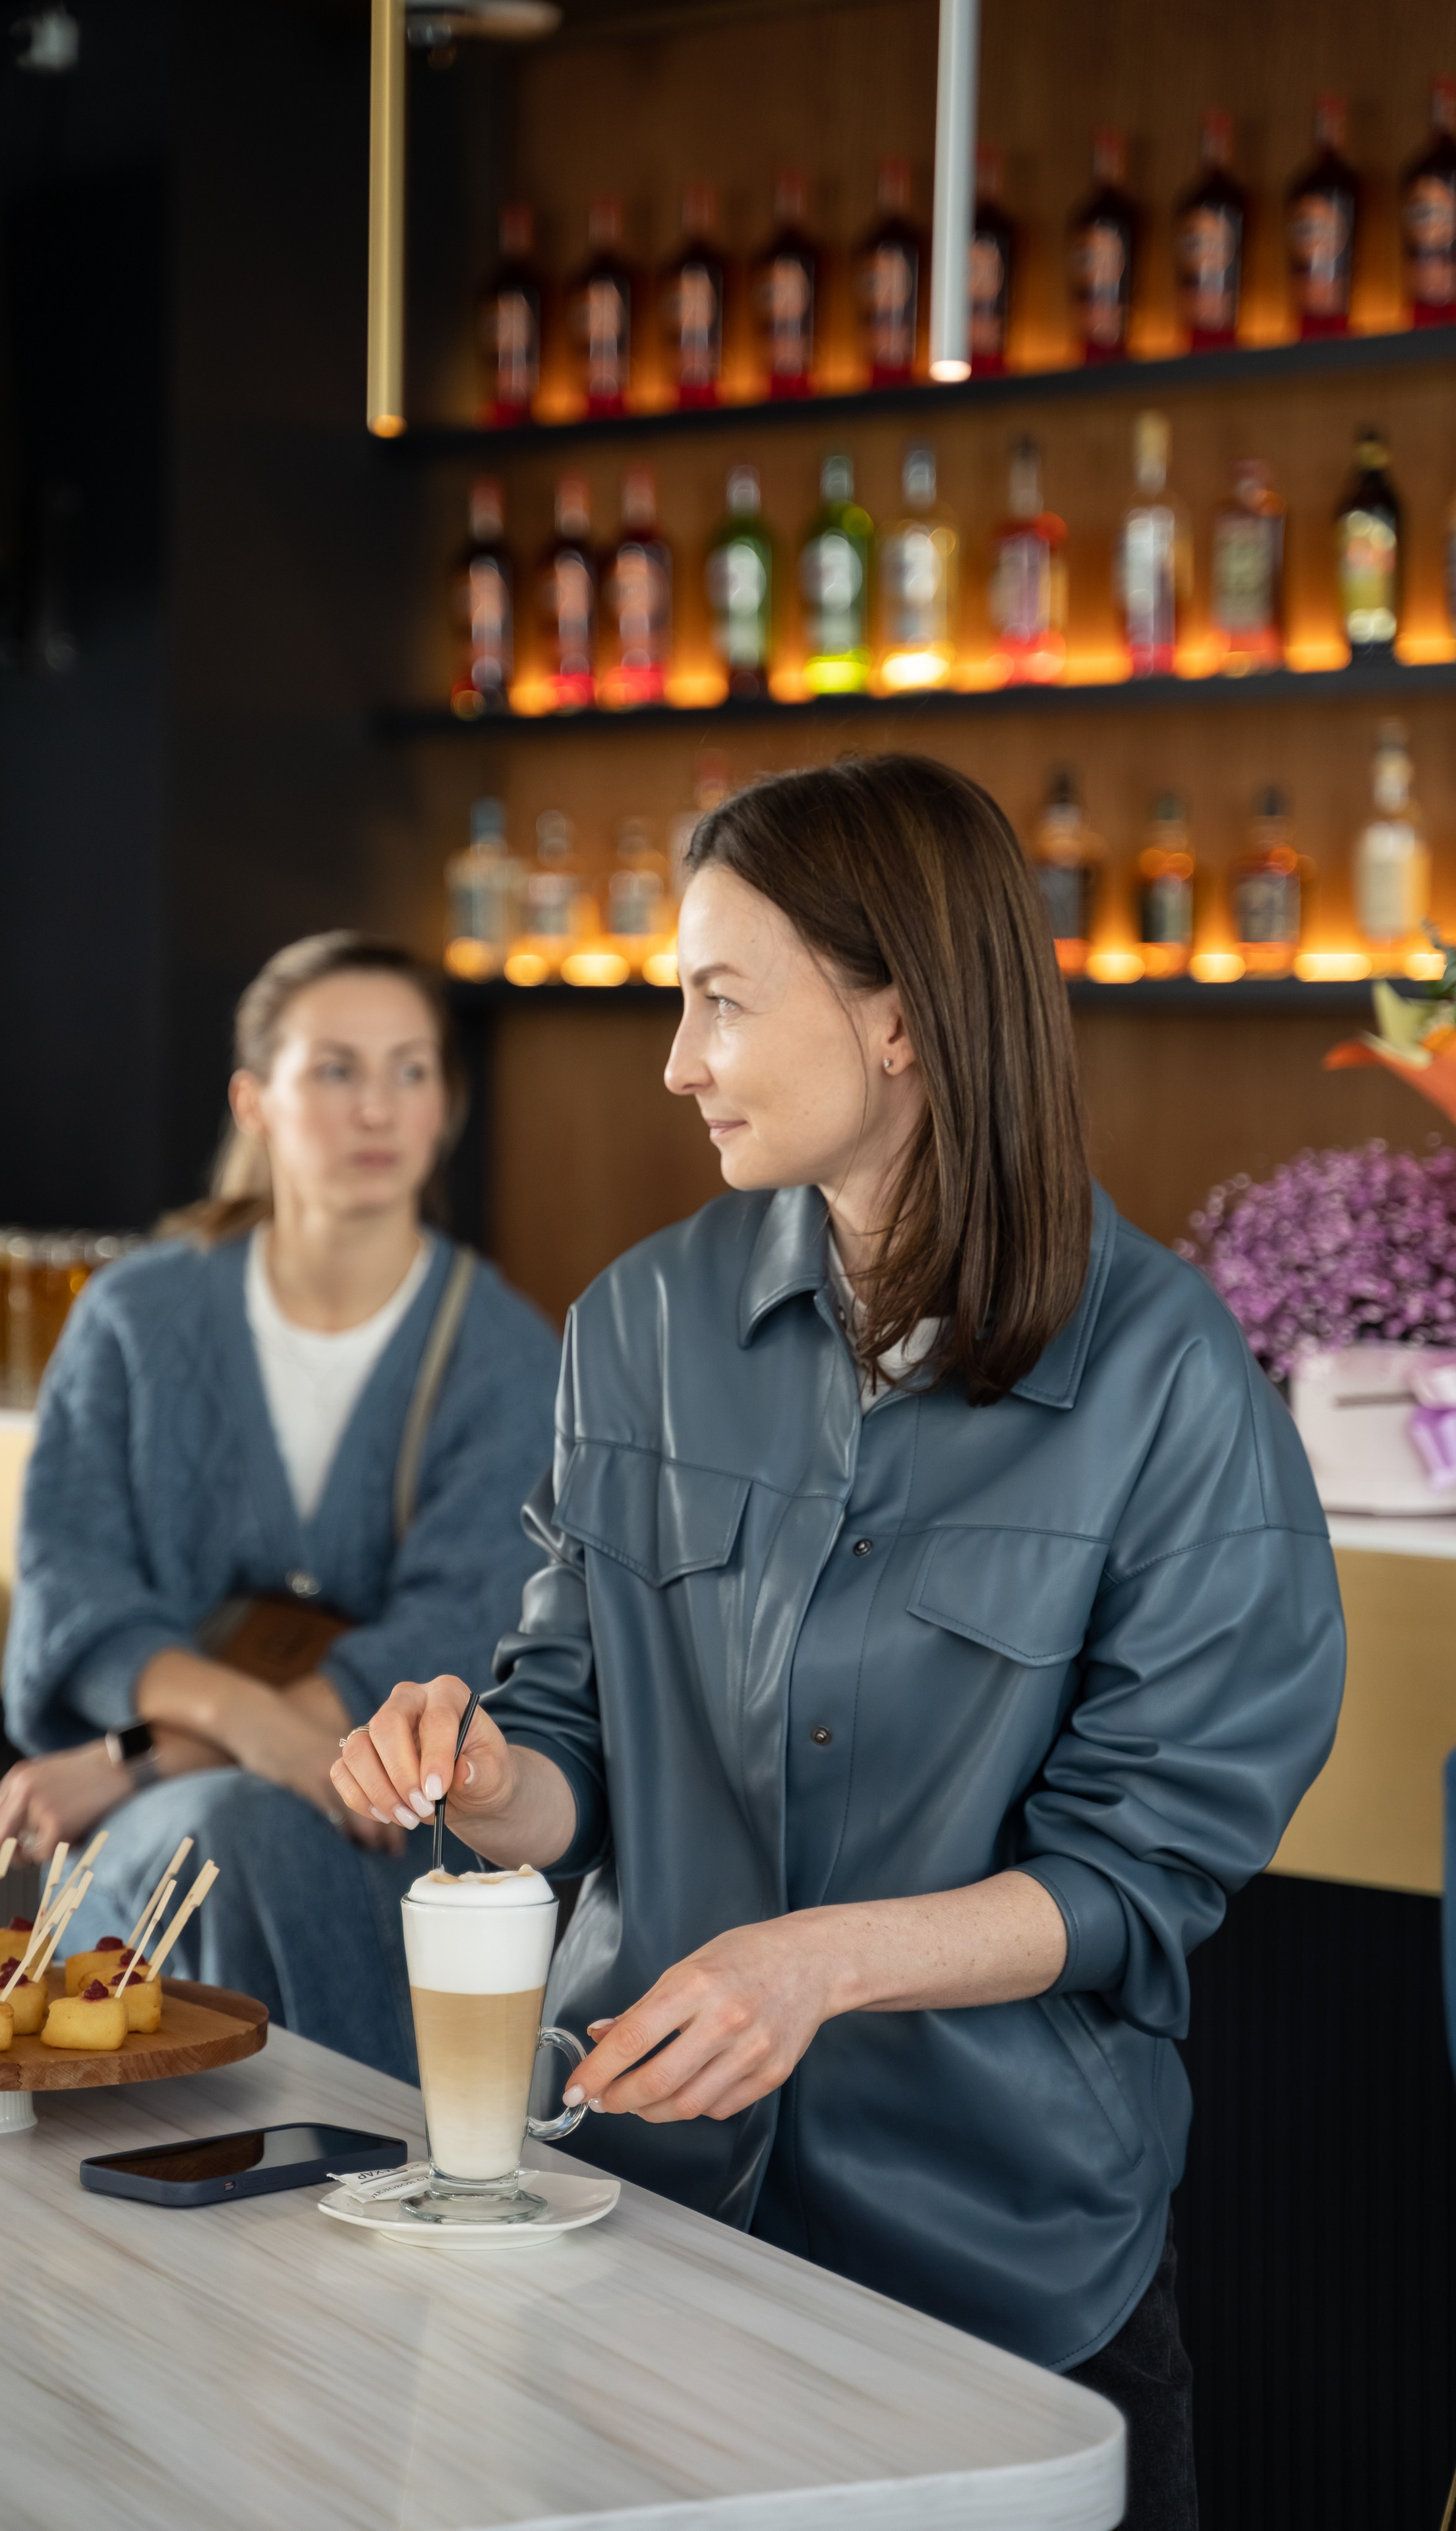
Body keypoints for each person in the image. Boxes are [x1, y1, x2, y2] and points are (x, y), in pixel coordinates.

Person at [332, 758, 1346, 2530]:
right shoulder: (634, 1327)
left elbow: (1141, 1880)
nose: (675, 1061)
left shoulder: (1177, 1383)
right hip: (639, 2217)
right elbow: (569, 1736)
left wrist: (818, 1964)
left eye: (722, 1000)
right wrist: (487, 1776)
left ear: (901, 1019)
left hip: (1008, 2270)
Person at [0, 932, 558, 2076]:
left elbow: (464, 1628)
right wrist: (238, 1733)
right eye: (335, 1070)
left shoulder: (507, 1353)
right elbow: (74, 1587)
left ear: (447, 1105)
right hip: (168, 1805)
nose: (379, 1109)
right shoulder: (136, 1317)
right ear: (253, 1101)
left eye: (412, 1071)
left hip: (397, 1809)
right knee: (235, 1828)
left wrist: (146, 1751)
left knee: (254, 1831)